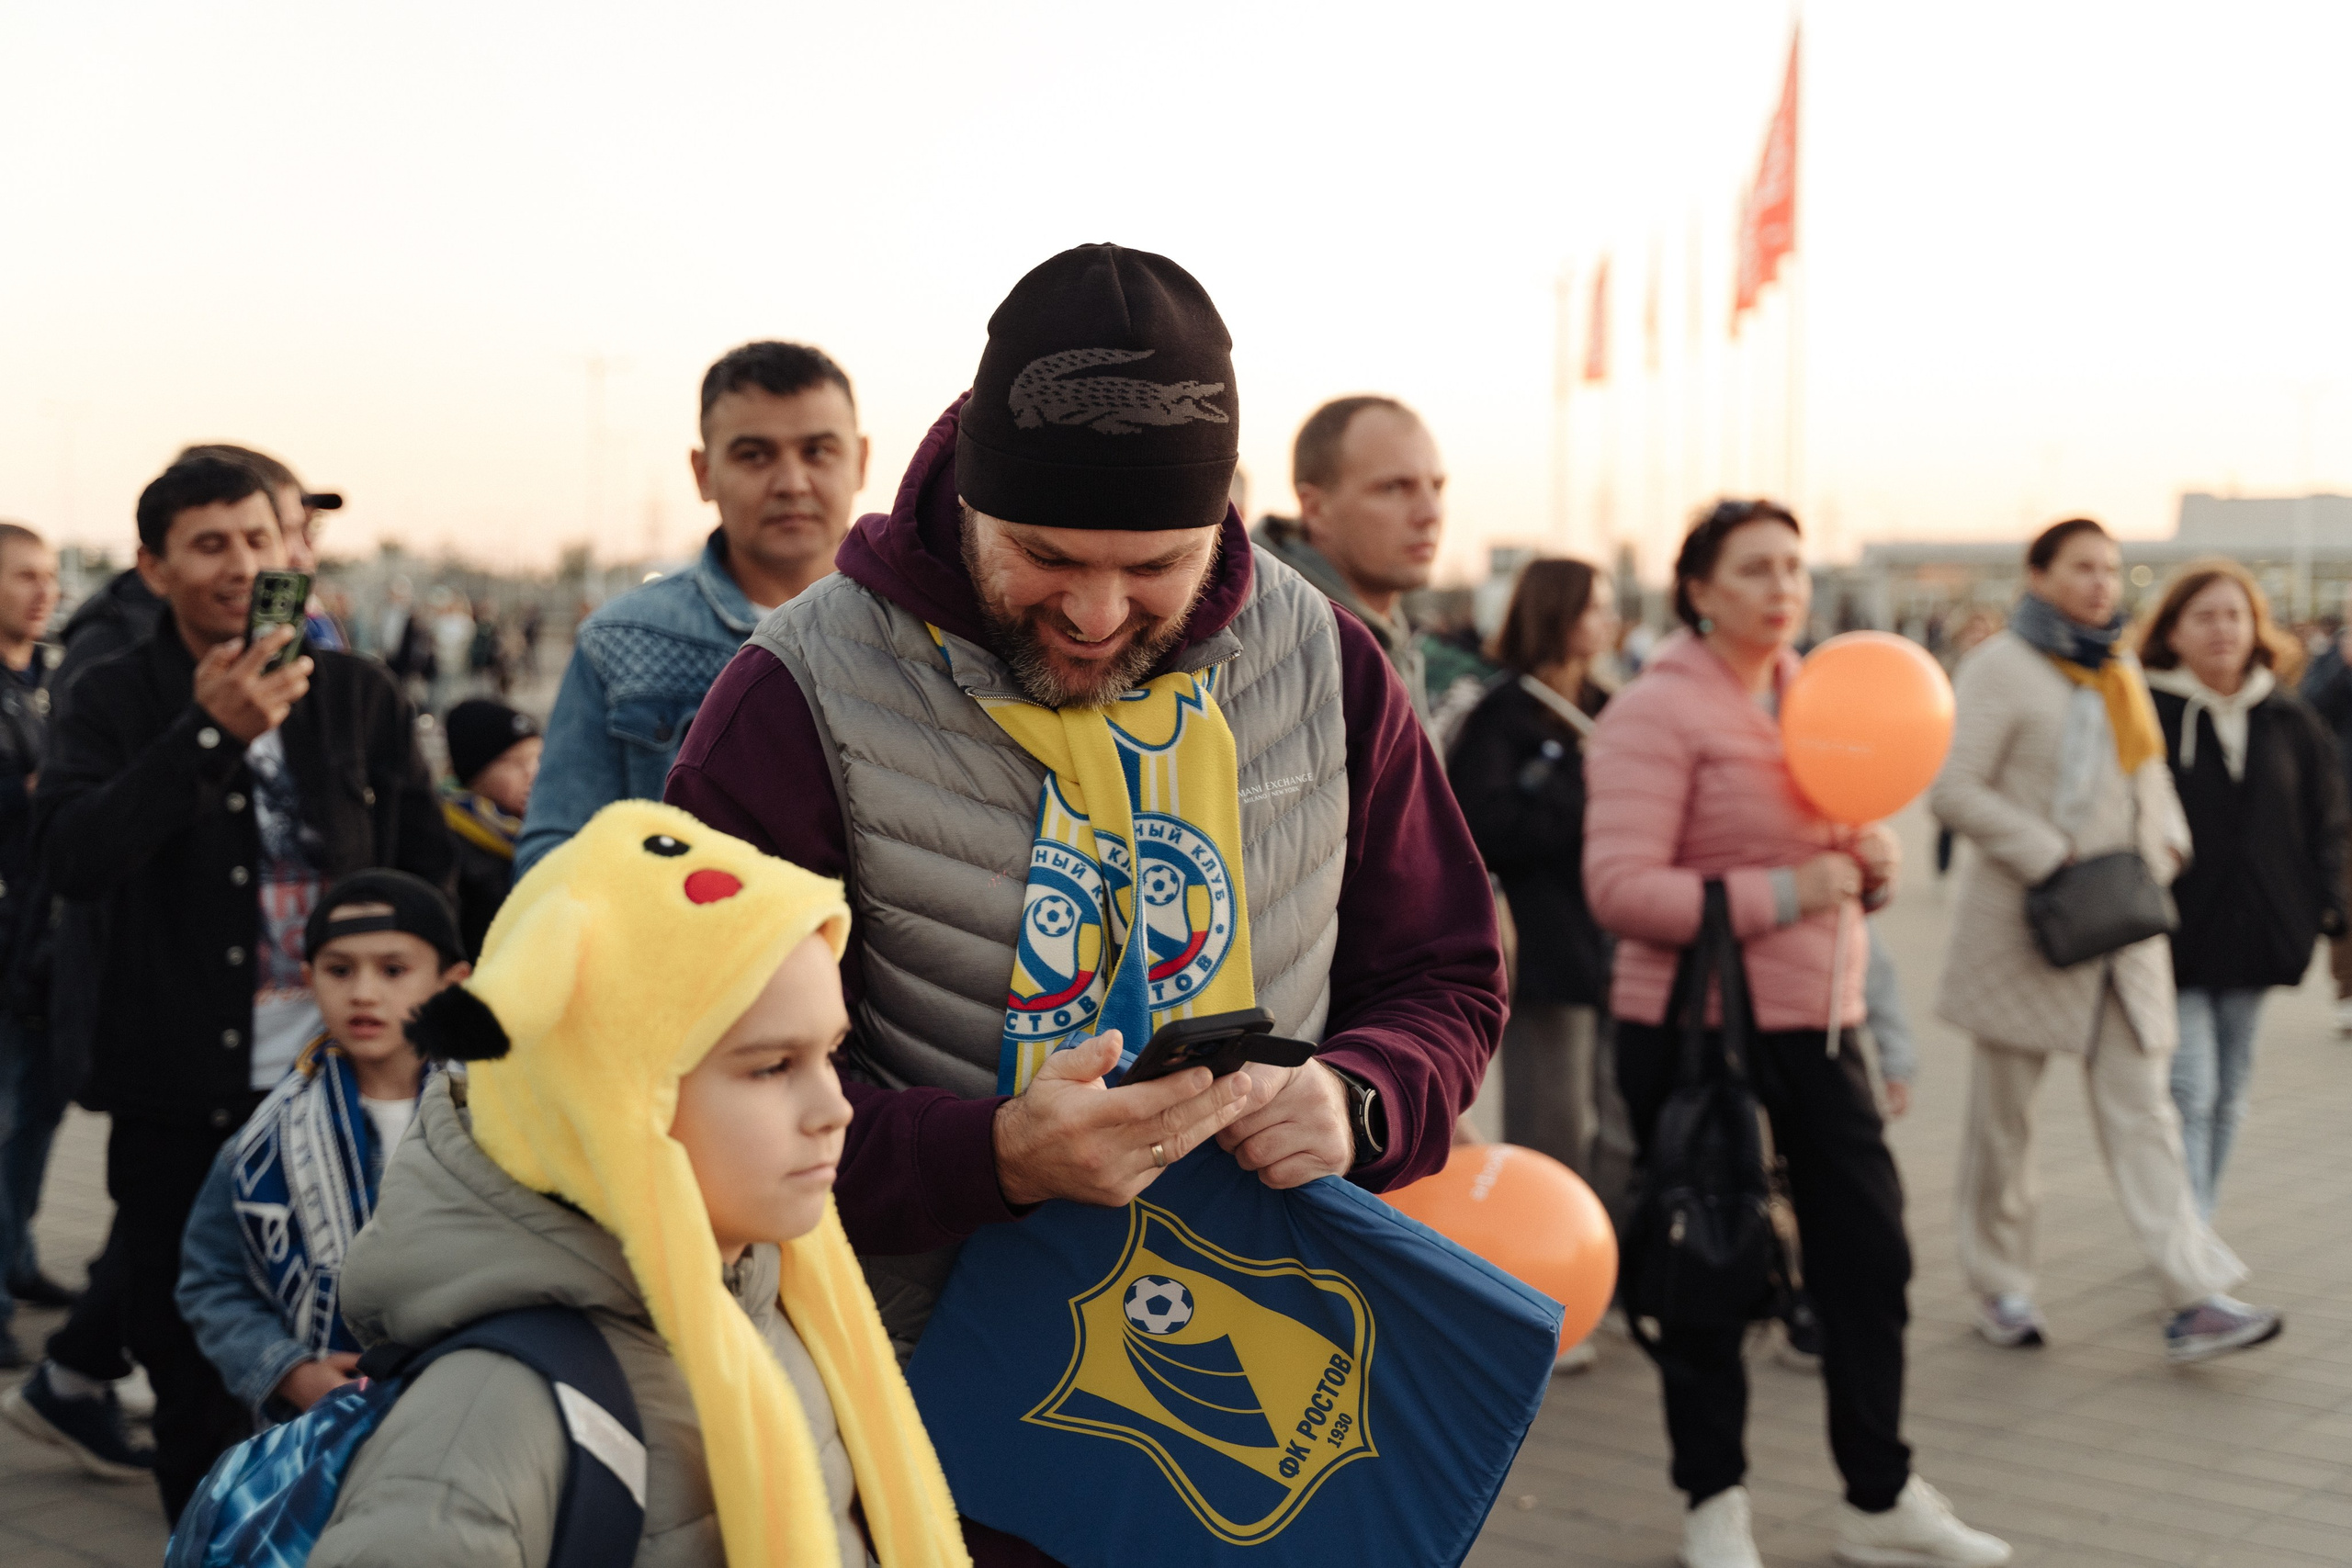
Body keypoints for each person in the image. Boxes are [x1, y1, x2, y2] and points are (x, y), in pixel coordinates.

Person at [664, 243, 1504, 1567]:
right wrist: (993, 1157)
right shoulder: (798, 693)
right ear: (967, 499)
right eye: (1044, 558)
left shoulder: (1323, 659)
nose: (1100, 614)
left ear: (1223, 519)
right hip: (917, 1420)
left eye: (1156, 565)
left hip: (1261, 1403)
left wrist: (1360, 1099)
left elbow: (1446, 974)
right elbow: (690, 1088)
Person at [306, 802, 967, 1567]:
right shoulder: (486, 1421)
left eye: (830, 1053)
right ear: (609, 1095)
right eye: (772, 1066)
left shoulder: (780, 1304)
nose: (835, 1108)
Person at [2, 456, 453, 1520]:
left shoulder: (357, 694)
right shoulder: (111, 692)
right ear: (154, 568)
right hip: (177, 1094)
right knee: (190, 1370)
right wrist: (208, 734)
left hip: (349, 1088)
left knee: (369, 1347)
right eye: (209, 545)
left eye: (260, 539)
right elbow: (72, 859)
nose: (242, 566)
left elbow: (423, 870)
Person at [1586, 500, 2007, 1568]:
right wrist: (1788, 890)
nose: (1782, 588)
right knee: (1708, 1264)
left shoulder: (1818, 693)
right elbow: (1619, 889)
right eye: (1755, 569)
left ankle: (1879, 1496)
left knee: (1870, 1256)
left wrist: (1867, 869)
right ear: (1698, 590)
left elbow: (1829, 846)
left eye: (1793, 567)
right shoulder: (1655, 709)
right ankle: (1712, 1503)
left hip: (1821, 1023)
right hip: (1690, 1033)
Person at [1931, 518, 2279, 1364]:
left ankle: (2193, 1293)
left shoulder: (2117, 666)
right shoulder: (2001, 666)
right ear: (2039, 574)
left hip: (2124, 927)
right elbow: (1954, 788)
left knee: (2146, 1113)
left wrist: (2167, 847)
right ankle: (2001, 1283)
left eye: (2111, 569)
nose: (2100, 584)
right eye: (2082, 568)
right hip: (2029, 924)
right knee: (2005, 1124)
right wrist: (2050, 855)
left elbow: (2146, 774)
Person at [519, 341, 870, 875]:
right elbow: (556, 862)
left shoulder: (920, 635)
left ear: (861, 460)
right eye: (754, 455)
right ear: (703, 472)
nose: (792, 483)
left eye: (818, 451)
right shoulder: (622, 642)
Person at [175, 873, 469, 1422]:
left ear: (451, 983)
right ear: (309, 979)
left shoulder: (498, 1127)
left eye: (393, 970)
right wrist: (291, 1373)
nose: (363, 993)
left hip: (467, 1410)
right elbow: (211, 1280)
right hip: (320, 1430)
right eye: (340, 970)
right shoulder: (265, 1144)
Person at [2136, 561, 2346, 1219]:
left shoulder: (2287, 716)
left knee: (2230, 1092)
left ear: (2256, 627)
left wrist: (2328, 906)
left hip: (2258, 934)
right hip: (2171, 934)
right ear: (2173, 631)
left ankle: (2197, 1224)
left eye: (2235, 615)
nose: (2222, 629)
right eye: (2204, 616)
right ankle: (2190, 1237)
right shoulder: (2144, 710)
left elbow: (2329, 819)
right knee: (2190, 1087)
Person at [1444, 560, 1622, 1205]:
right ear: (1557, 613)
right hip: (1545, 946)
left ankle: (1613, 1249)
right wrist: (1577, 790)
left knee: (1622, 1128)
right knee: (1554, 1126)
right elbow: (1480, 827)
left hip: (1620, 942)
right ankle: (1547, 1251)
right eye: (1594, 606)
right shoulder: (1504, 713)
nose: (1609, 619)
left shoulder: (1609, 704)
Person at [1251, 395, 1446, 720]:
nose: (1430, 514)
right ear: (1315, 508)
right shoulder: (1274, 649)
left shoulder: (1382, 635)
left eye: (1436, 487)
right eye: (1394, 487)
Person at [0, 523, 65, 1366]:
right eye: (22, 576)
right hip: (6, 930)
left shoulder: (53, 680)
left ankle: (16, 1257)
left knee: (41, 1112)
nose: (44, 590)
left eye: (49, 576)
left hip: (47, 934)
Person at [440, 697, 543, 956]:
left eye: (539, 758)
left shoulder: (547, 832)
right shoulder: (450, 844)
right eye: (513, 763)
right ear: (476, 775)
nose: (533, 773)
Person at [2295, 581, 2352, 1033]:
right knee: (2348, 900)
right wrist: (2344, 668)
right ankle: (2348, 992)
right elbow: (2309, 710)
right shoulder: (2331, 658)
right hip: (2345, 801)